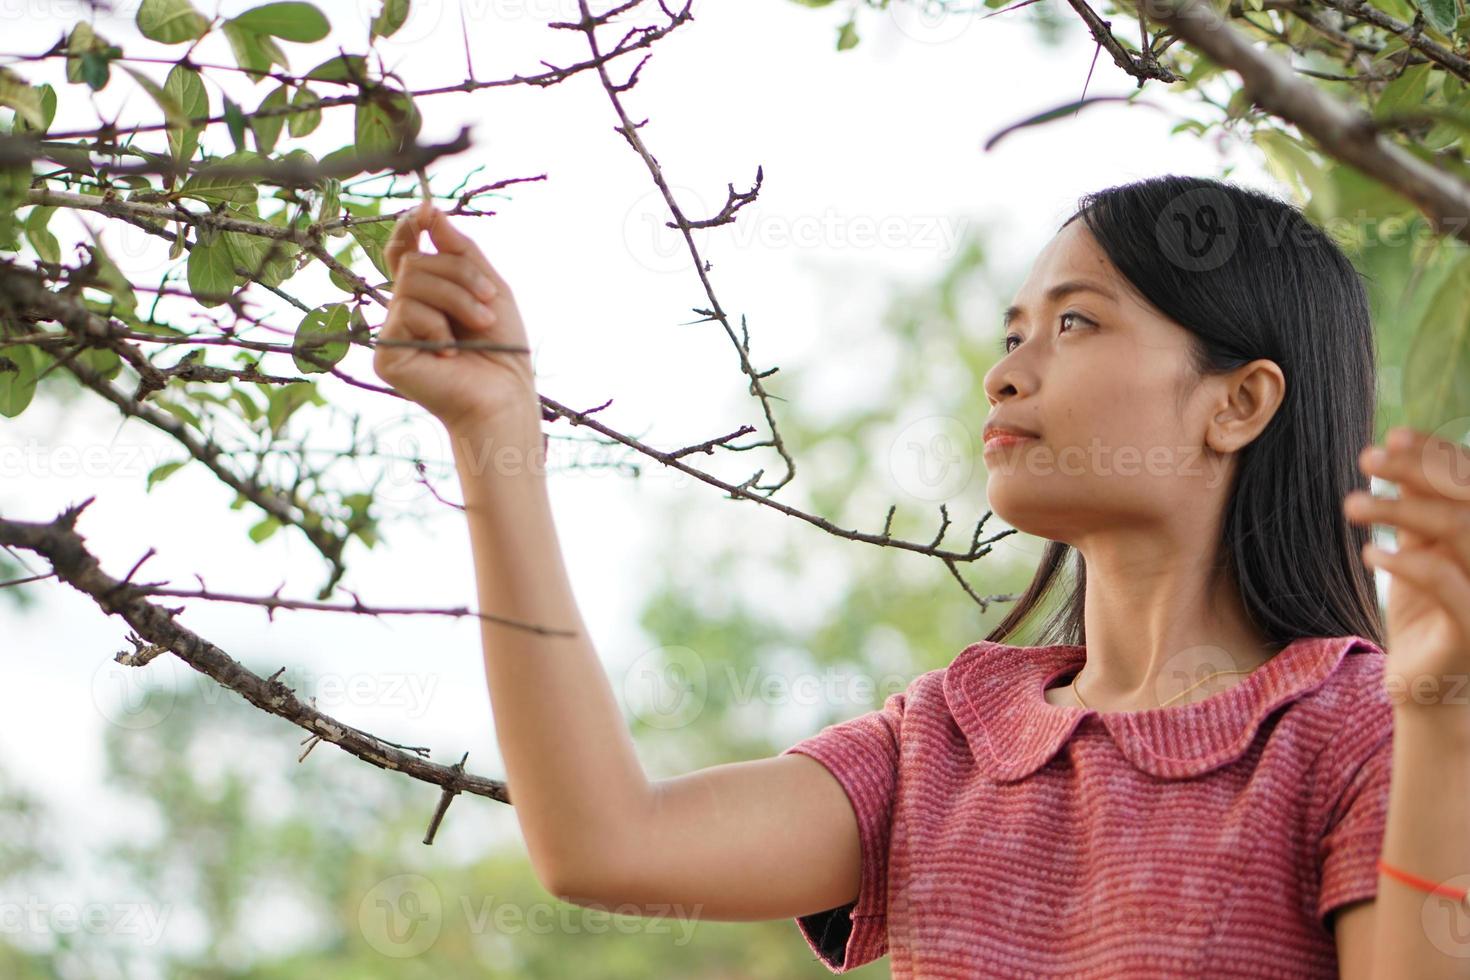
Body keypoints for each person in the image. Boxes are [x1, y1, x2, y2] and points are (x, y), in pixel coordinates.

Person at [371, 175, 1468, 977]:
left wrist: (1442, 720)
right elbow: (606, 841)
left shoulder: (1366, 731)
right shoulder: (945, 739)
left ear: (1238, 400)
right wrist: (496, 438)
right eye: (1014, 330)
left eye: (1076, 322)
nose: (1004, 371)